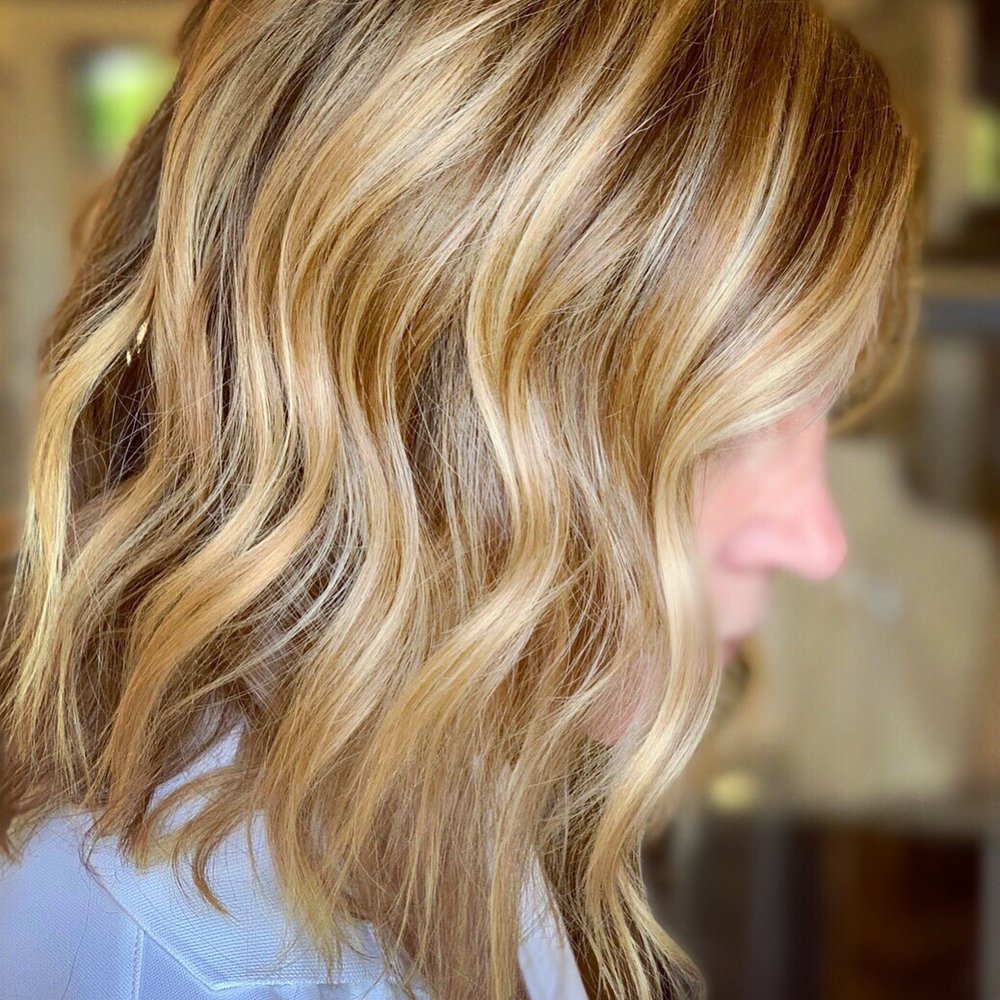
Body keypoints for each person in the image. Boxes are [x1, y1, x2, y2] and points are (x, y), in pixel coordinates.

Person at [0, 0, 920, 997]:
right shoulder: (220, 964)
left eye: (817, 410)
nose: (817, 540)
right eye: (729, 424)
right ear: (405, 409)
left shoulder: (424, 759)